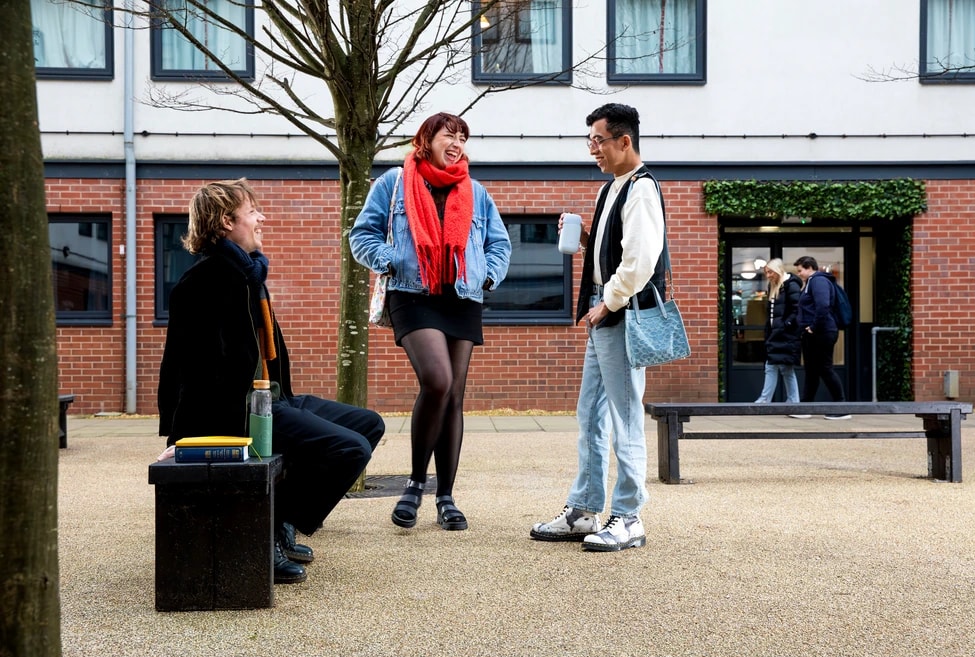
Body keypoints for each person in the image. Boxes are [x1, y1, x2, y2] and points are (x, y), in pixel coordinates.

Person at [158, 178, 385, 584]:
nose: (262, 218)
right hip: (239, 412)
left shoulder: (249, 275)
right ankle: (272, 528)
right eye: (252, 212)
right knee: (350, 449)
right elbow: (180, 366)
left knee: (369, 424)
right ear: (226, 221)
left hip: (274, 398)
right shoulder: (203, 283)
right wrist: (178, 438)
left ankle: (283, 521)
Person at [350, 112, 511, 532]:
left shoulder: (474, 191)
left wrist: (488, 274)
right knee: (437, 381)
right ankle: (416, 483)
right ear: (427, 139)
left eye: (462, 136)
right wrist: (389, 260)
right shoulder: (393, 183)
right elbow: (361, 235)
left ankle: (446, 497)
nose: (456, 142)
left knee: (454, 396)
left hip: (461, 296)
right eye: (448, 134)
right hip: (412, 293)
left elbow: (499, 242)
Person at [529, 103, 668, 552]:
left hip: (618, 314)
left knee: (624, 416)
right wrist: (589, 240)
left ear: (624, 141)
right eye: (589, 140)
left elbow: (641, 262)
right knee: (590, 413)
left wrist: (606, 304)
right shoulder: (614, 188)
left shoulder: (641, 189)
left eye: (598, 140)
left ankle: (629, 517)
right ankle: (585, 509)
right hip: (604, 312)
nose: (593, 149)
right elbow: (624, 250)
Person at [793, 255, 850, 419]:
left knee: (825, 368)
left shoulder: (818, 281)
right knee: (812, 370)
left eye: (800, 270)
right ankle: (806, 407)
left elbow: (823, 305)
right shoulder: (813, 282)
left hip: (821, 332)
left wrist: (813, 327)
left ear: (809, 267)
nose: (799, 274)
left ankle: (841, 407)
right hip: (817, 332)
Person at [753, 258, 804, 412]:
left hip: (785, 334)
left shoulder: (791, 285)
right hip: (777, 333)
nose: (768, 275)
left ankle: (767, 399)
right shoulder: (775, 286)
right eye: (766, 272)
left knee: (780, 367)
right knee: (779, 367)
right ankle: (791, 400)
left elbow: (796, 309)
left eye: (770, 272)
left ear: (778, 270)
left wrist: (784, 325)